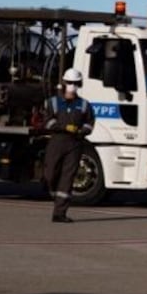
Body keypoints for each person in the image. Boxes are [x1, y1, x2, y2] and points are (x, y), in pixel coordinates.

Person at [43, 68, 95, 223]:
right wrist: (62, 127)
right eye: (70, 82)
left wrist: (81, 130)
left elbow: (90, 124)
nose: (73, 86)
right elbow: (47, 121)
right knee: (50, 174)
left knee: (68, 176)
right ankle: (53, 192)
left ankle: (59, 213)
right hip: (57, 141)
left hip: (75, 143)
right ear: (64, 83)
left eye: (76, 83)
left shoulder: (85, 105)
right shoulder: (52, 102)